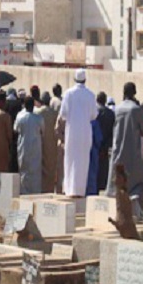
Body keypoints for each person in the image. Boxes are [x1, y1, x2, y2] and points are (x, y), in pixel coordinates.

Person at [106, 82, 143, 210]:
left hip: (118, 150)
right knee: (135, 182)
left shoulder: (117, 108)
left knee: (116, 181)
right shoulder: (136, 109)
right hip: (132, 153)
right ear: (134, 93)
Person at [58, 69, 97, 197]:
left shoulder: (68, 94)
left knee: (70, 160)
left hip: (72, 132)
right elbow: (93, 115)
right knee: (83, 161)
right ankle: (80, 191)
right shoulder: (91, 95)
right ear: (85, 80)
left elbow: (63, 114)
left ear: (74, 79)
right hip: (85, 132)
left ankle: (70, 190)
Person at [14, 96, 44, 195]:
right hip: (35, 148)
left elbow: (15, 129)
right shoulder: (39, 118)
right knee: (35, 172)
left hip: (23, 147)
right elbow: (43, 131)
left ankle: (24, 193)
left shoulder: (19, 116)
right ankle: (35, 193)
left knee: (24, 171)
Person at [35, 91, 59, 193]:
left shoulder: (38, 113)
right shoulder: (54, 113)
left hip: (41, 143)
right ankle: (49, 190)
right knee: (51, 168)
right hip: (53, 143)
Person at [95, 92, 115, 194]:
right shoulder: (111, 114)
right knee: (103, 172)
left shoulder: (94, 112)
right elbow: (112, 133)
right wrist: (106, 146)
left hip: (94, 147)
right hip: (105, 148)